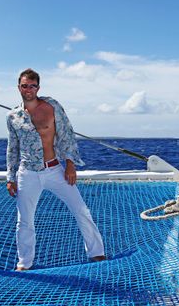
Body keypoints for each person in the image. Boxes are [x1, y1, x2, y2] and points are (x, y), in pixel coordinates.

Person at [6, 68, 106, 271]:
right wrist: (10, 177)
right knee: (24, 221)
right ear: (19, 87)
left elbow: (67, 135)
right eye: (24, 86)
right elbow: (12, 148)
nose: (28, 90)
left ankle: (97, 254)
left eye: (32, 86)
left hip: (54, 170)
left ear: (38, 87)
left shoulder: (52, 107)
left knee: (81, 210)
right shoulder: (13, 117)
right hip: (27, 173)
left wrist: (70, 164)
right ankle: (24, 264)